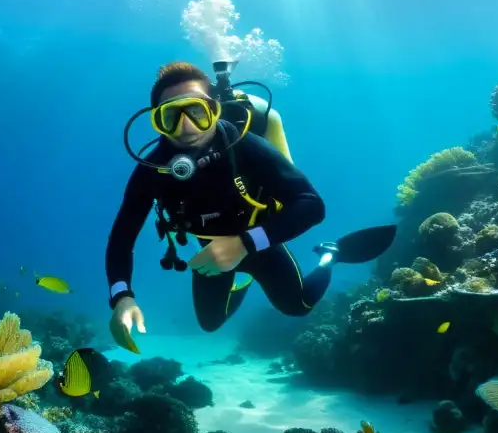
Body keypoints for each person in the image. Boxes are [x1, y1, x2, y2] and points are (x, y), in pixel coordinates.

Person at [105, 60, 396, 347]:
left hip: (261, 240)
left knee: (299, 305)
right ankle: (241, 281)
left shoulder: (245, 146)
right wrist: (122, 297)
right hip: (211, 250)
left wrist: (243, 244)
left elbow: (311, 205)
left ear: (214, 110)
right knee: (210, 323)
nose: (186, 127)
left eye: (197, 111)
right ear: (158, 122)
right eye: (171, 116)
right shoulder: (153, 168)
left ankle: (330, 255)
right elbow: (122, 237)